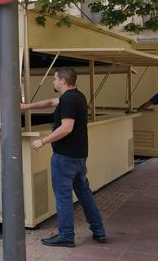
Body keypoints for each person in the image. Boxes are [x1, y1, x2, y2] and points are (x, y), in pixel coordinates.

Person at [21, 67, 106, 247]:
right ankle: (99, 230)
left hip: (65, 157)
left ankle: (66, 235)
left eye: (55, 79)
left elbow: (66, 127)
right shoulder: (77, 96)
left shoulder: (68, 99)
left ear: (63, 81)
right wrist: (27, 106)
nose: (53, 81)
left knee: (63, 196)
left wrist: (42, 141)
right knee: (84, 194)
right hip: (79, 156)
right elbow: (52, 102)